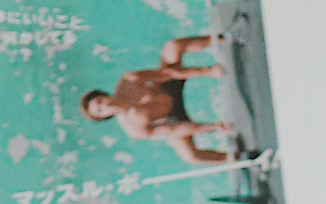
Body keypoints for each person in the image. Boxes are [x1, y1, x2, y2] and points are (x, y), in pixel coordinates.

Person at [79, 36, 241, 170]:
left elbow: (167, 73)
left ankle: (223, 38)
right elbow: (173, 129)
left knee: (172, 47)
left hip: (166, 87)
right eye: (101, 111)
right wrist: (213, 127)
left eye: (100, 101)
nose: (105, 106)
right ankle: (237, 157)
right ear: (105, 116)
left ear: (104, 94)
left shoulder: (129, 81)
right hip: (172, 117)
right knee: (190, 156)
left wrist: (207, 71)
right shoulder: (134, 129)